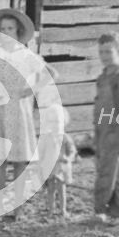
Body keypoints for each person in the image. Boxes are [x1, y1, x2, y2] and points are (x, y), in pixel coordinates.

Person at [0, 8, 46, 220]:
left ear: (18, 31)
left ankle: (17, 210)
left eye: (10, 29)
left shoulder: (27, 55)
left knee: (20, 162)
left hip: (20, 112)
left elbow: (50, 74)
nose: (6, 32)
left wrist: (30, 90)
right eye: (2, 29)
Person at [93, 32, 119, 224]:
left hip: (115, 131)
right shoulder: (103, 76)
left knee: (106, 173)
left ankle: (100, 211)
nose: (104, 56)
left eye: (109, 51)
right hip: (103, 130)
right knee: (115, 171)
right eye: (101, 52)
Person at [34, 63, 77, 217]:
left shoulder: (65, 138)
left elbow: (72, 151)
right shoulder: (45, 138)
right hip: (51, 169)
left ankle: (63, 209)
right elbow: (41, 153)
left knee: (62, 189)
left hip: (62, 167)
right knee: (51, 189)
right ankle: (51, 209)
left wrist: (68, 158)